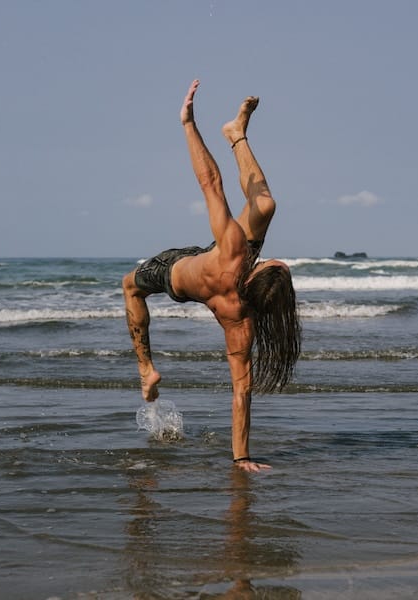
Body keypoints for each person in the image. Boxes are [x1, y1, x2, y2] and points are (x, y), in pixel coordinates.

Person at [123, 80, 301, 472]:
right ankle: (236, 134)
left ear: (258, 272)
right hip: (215, 269)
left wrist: (188, 124)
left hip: (175, 271)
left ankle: (146, 370)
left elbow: (210, 183)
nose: (272, 259)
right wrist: (242, 457)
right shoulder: (242, 322)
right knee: (265, 206)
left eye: (272, 264)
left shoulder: (236, 249)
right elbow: (242, 392)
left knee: (130, 286)